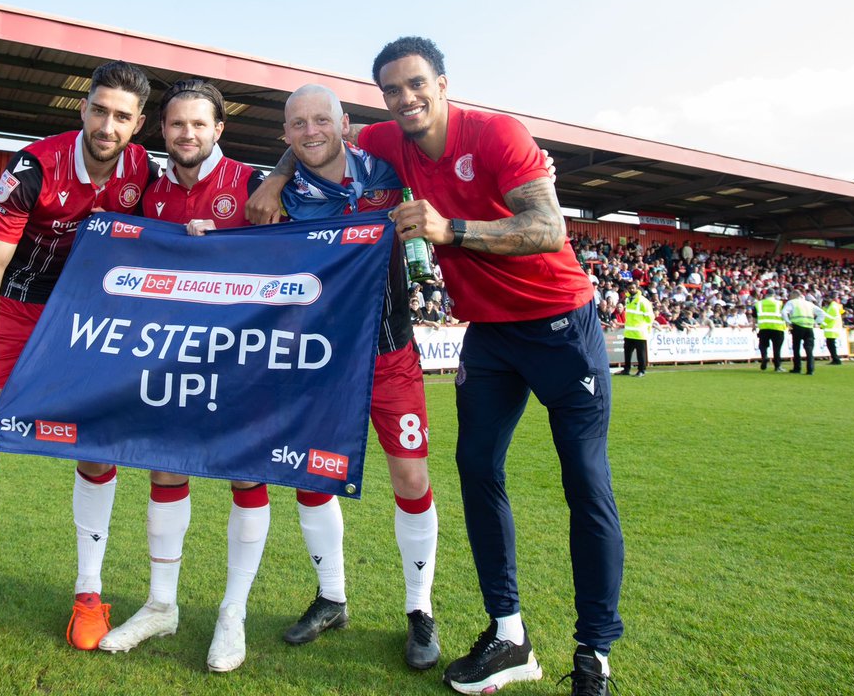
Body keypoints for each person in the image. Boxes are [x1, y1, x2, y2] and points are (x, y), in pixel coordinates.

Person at [248, 37, 621, 695]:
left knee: (585, 484)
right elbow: (316, 134)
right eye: (393, 90)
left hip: (563, 325)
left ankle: (593, 651)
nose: (406, 98)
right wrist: (279, 176)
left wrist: (453, 230)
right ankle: (508, 633)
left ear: (443, 84)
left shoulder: (498, 133)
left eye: (417, 84)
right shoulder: (389, 142)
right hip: (490, 337)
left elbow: (548, 230)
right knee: (477, 471)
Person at [0, 60, 155, 665]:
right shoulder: (34, 168)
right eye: (99, 109)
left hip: (87, 321)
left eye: (122, 116)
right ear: (83, 109)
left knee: (97, 448)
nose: (108, 124)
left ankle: (90, 594)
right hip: (17, 313)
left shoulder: (143, 169)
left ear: (137, 123)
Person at [97, 79, 269, 673]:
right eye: (176, 125)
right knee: (164, 468)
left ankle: (232, 611)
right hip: (174, 354)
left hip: (242, 355)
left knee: (246, 475)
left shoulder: (252, 185)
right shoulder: (151, 189)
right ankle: (161, 604)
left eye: (199, 124)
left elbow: (291, 253)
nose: (187, 134)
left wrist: (224, 245)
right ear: (162, 130)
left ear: (219, 130)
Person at [275, 84, 441, 670]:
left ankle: (419, 610)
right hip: (317, 363)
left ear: (346, 123)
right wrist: (272, 180)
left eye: (322, 119)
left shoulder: (385, 172)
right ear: (286, 136)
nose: (312, 131)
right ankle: (332, 598)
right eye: (299, 124)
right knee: (312, 478)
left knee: (411, 478)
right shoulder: (276, 196)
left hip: (389, 354)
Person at [782, 288, 827, 376]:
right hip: (809, 327)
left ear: (794, 295)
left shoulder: (792, 302)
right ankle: (810, 370)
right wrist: (816, 322)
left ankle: (797, 368)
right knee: (809, 349)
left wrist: (788, 322)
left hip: (797, 326)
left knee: (796, 348)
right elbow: (822, 313)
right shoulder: (809, 304)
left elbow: (784, 312)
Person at [621, 284, 654, 376]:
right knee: (627, 353)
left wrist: (647, 327)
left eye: (633, 288)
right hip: (629, 332)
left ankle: (641, 370)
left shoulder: (643, 301)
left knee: (641, 353)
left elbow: (650, 316)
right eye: (629, 288)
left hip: (640, 332)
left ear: (637, 289)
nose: (631, 289)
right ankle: (626, 369)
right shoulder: (627, 299)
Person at [753, 288, 786, 372]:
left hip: (764, 327)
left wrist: (754, 326)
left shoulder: (759, 304)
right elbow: (785, 315)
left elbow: (754, 316)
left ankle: (764, 357)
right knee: (777, 348)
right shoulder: (780, 303)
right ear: (774, 295)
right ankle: (777, 366)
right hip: (778, 328)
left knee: (763, 345)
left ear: (765, 295)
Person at [821, 293, 844, 365]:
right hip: (833, 328)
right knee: (831, 344)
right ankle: (835, 358)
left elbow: (829, 317)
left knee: (831, 344)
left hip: (832, 328)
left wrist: (822, 324)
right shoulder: (832, 306)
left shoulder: (833, 306)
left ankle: (836, 359)